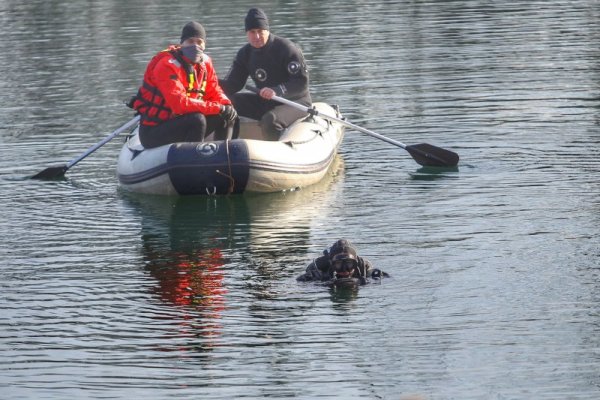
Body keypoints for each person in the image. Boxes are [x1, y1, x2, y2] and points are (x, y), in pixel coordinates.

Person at [130, 21, 237, 148]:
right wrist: (217, 107)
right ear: (182, 44)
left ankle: (225, 156)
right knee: (197, 119)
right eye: (190, 41)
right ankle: (193, 160)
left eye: (199, 42)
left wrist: (225, 105)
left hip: (182, 122)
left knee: (228, 115)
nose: (195, 46)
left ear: (204, 44)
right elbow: (179, 105)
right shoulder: (166, 65)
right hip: (155, 130)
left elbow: (214, 90)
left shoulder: (205, 63)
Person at [219, 8, 311, 140]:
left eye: (260, 32)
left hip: (296, 102)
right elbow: (233, 85)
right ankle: (225, 148)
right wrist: (207, 82)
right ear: (247, 33)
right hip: (266, 101)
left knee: (270, 120)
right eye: (252, 32)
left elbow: (301, 84)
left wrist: (276, 90)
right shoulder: (244, 54)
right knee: (226, 103)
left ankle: (276, 155)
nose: (256, 37)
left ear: (267, 30)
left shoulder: (287, 48)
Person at [297, 239, 389, 286]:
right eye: (338, 264)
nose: (345, 270)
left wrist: (361, 281)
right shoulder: (320, 270)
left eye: (349, 264)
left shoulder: (364, 268)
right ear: (332, 264)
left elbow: (387, 280)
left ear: (356, 263)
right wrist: (326, 283)